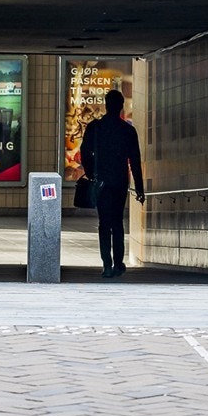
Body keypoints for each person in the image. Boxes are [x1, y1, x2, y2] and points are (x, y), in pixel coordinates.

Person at [79, 89, 145, 278]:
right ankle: (118, 263)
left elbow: (85, 153)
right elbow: (135, 161)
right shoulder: (128, 131)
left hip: (101, 181)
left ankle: (106, 264)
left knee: (104, 223)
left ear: (106, 106)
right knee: (117, 222)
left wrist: (92, 173)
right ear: (121, 107)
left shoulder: (95, 128)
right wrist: (139, 188)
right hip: (119, 182)